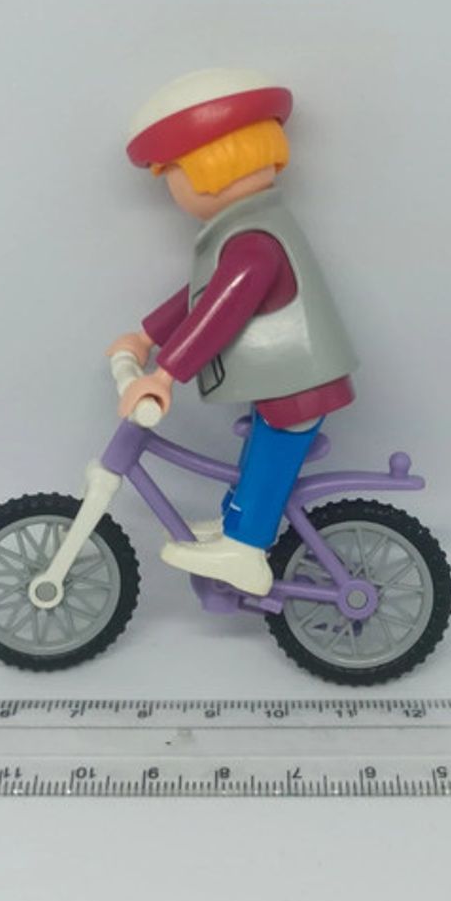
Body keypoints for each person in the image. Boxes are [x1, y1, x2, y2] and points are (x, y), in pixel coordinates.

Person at [108, 68, 358, 597]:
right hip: (287, 384)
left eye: (170, 173)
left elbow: (219, 314)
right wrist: (147, 337)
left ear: (207, 169)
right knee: (258, 455)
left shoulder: (253, 244)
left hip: (297, 386)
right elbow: (202, 294)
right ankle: (236, 525)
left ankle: (245, 551)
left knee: (270, 457)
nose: (170, 188)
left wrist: (164, 374)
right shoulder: (246, 229)